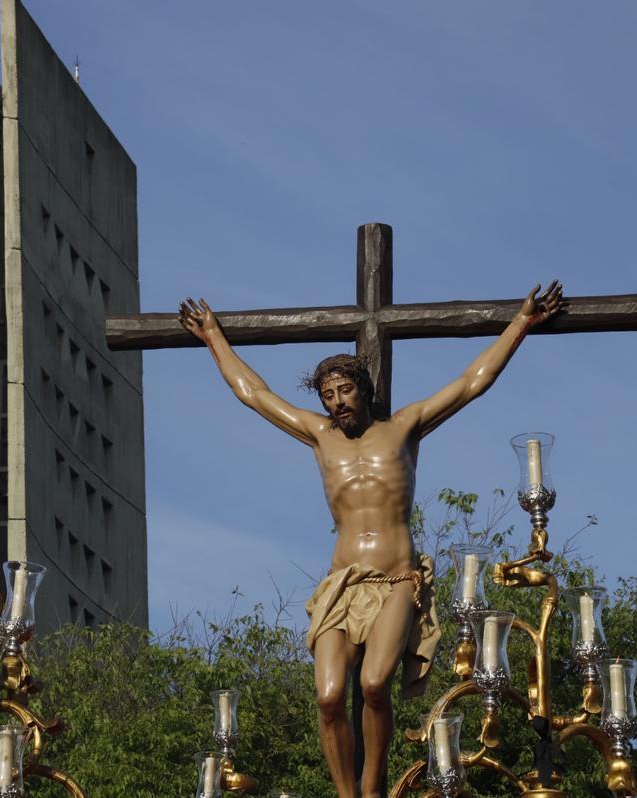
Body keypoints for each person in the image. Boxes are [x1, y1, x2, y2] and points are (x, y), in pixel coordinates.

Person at [178, 282, 564, 798]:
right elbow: (254, 394)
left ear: (364, 389)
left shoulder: (404, 428)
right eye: (329, 396)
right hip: (342, 584)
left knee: (375, 683)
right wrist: (213, 338)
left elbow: (473, 381)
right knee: (330, 696)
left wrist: (520, 323)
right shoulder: (321, 437)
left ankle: (374, 787)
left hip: (398, 580)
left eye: (345, 391)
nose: (337, 403)